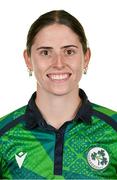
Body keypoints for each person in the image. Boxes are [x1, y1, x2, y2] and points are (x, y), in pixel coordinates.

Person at [0, 10, 117, 179]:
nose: (58, 64)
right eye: (45, 52)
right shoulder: (4, 135)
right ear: (28, 59)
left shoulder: (112, 129)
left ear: (86, 57)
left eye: (69, 52)